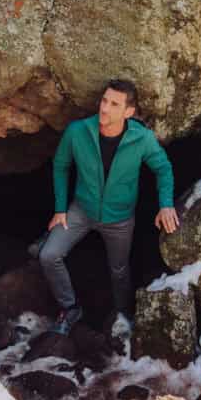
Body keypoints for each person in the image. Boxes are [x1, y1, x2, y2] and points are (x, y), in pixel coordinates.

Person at [38, 79, 179, 335]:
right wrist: (59, 209)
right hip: (81, 210)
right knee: (48, 255)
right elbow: (61, 166)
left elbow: (163, 168)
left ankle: (122, 316)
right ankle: (70, 309)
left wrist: (166, 204)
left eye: (114, 104)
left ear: (128, 112)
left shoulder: (143, 139)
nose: (105, 108)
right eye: (104, 100)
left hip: (120, 219)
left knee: (119, 271)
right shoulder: (77, 131)